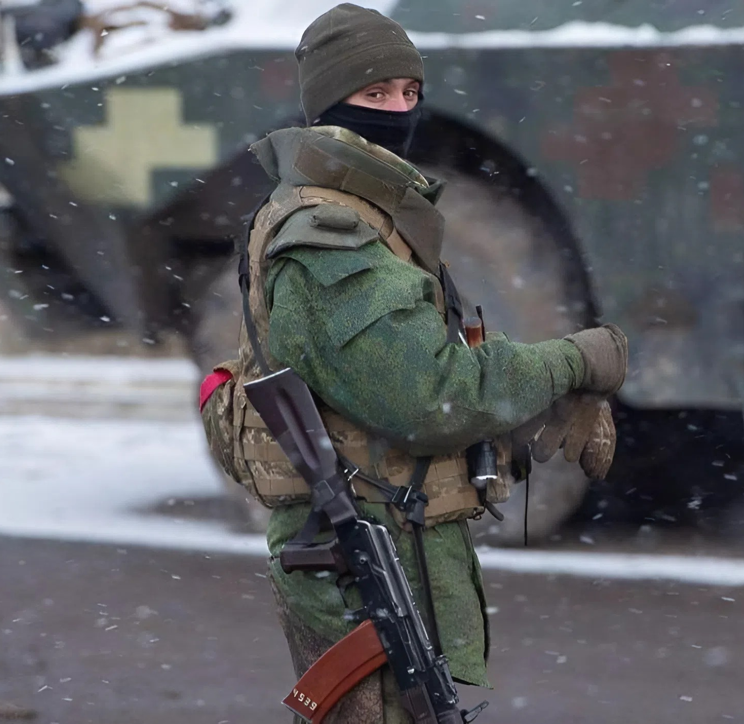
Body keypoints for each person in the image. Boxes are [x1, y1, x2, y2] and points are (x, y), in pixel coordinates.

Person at [199, 4, 628, 722]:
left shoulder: (369, 217)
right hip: (360, 553)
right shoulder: (331, 238)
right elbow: (428, 400)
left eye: (410, 92)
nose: (399, 110)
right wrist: (575, 361)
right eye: (376, 94)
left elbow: (402, 381)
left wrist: (520, 412)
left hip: (390, 540)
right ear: (330, 104)